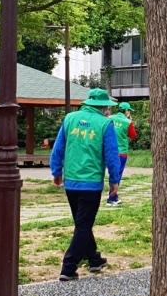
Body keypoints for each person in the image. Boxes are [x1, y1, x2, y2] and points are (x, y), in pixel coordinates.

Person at [50, 87, 122, 279]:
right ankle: (68, 267)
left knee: (83, 223)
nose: (108, 110)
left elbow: (58, 148)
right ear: (103, 107)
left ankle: (94, 259)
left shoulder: (69, 120)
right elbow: (111, 155)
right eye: (107, 107)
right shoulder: (105, 124)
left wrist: (56, 171)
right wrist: (114, 180)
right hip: (90, 184)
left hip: (71, 183)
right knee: (83, 225)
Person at [106, 101, 137, 206]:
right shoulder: (127, 122)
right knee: (117, 174)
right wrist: (130, 121)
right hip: (121, 152)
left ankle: (114, 196)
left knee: (112, 173)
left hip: (109, 150)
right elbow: (133, 136)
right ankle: (112, 198)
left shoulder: (109, 118)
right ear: (126, 111)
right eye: (129, 111)